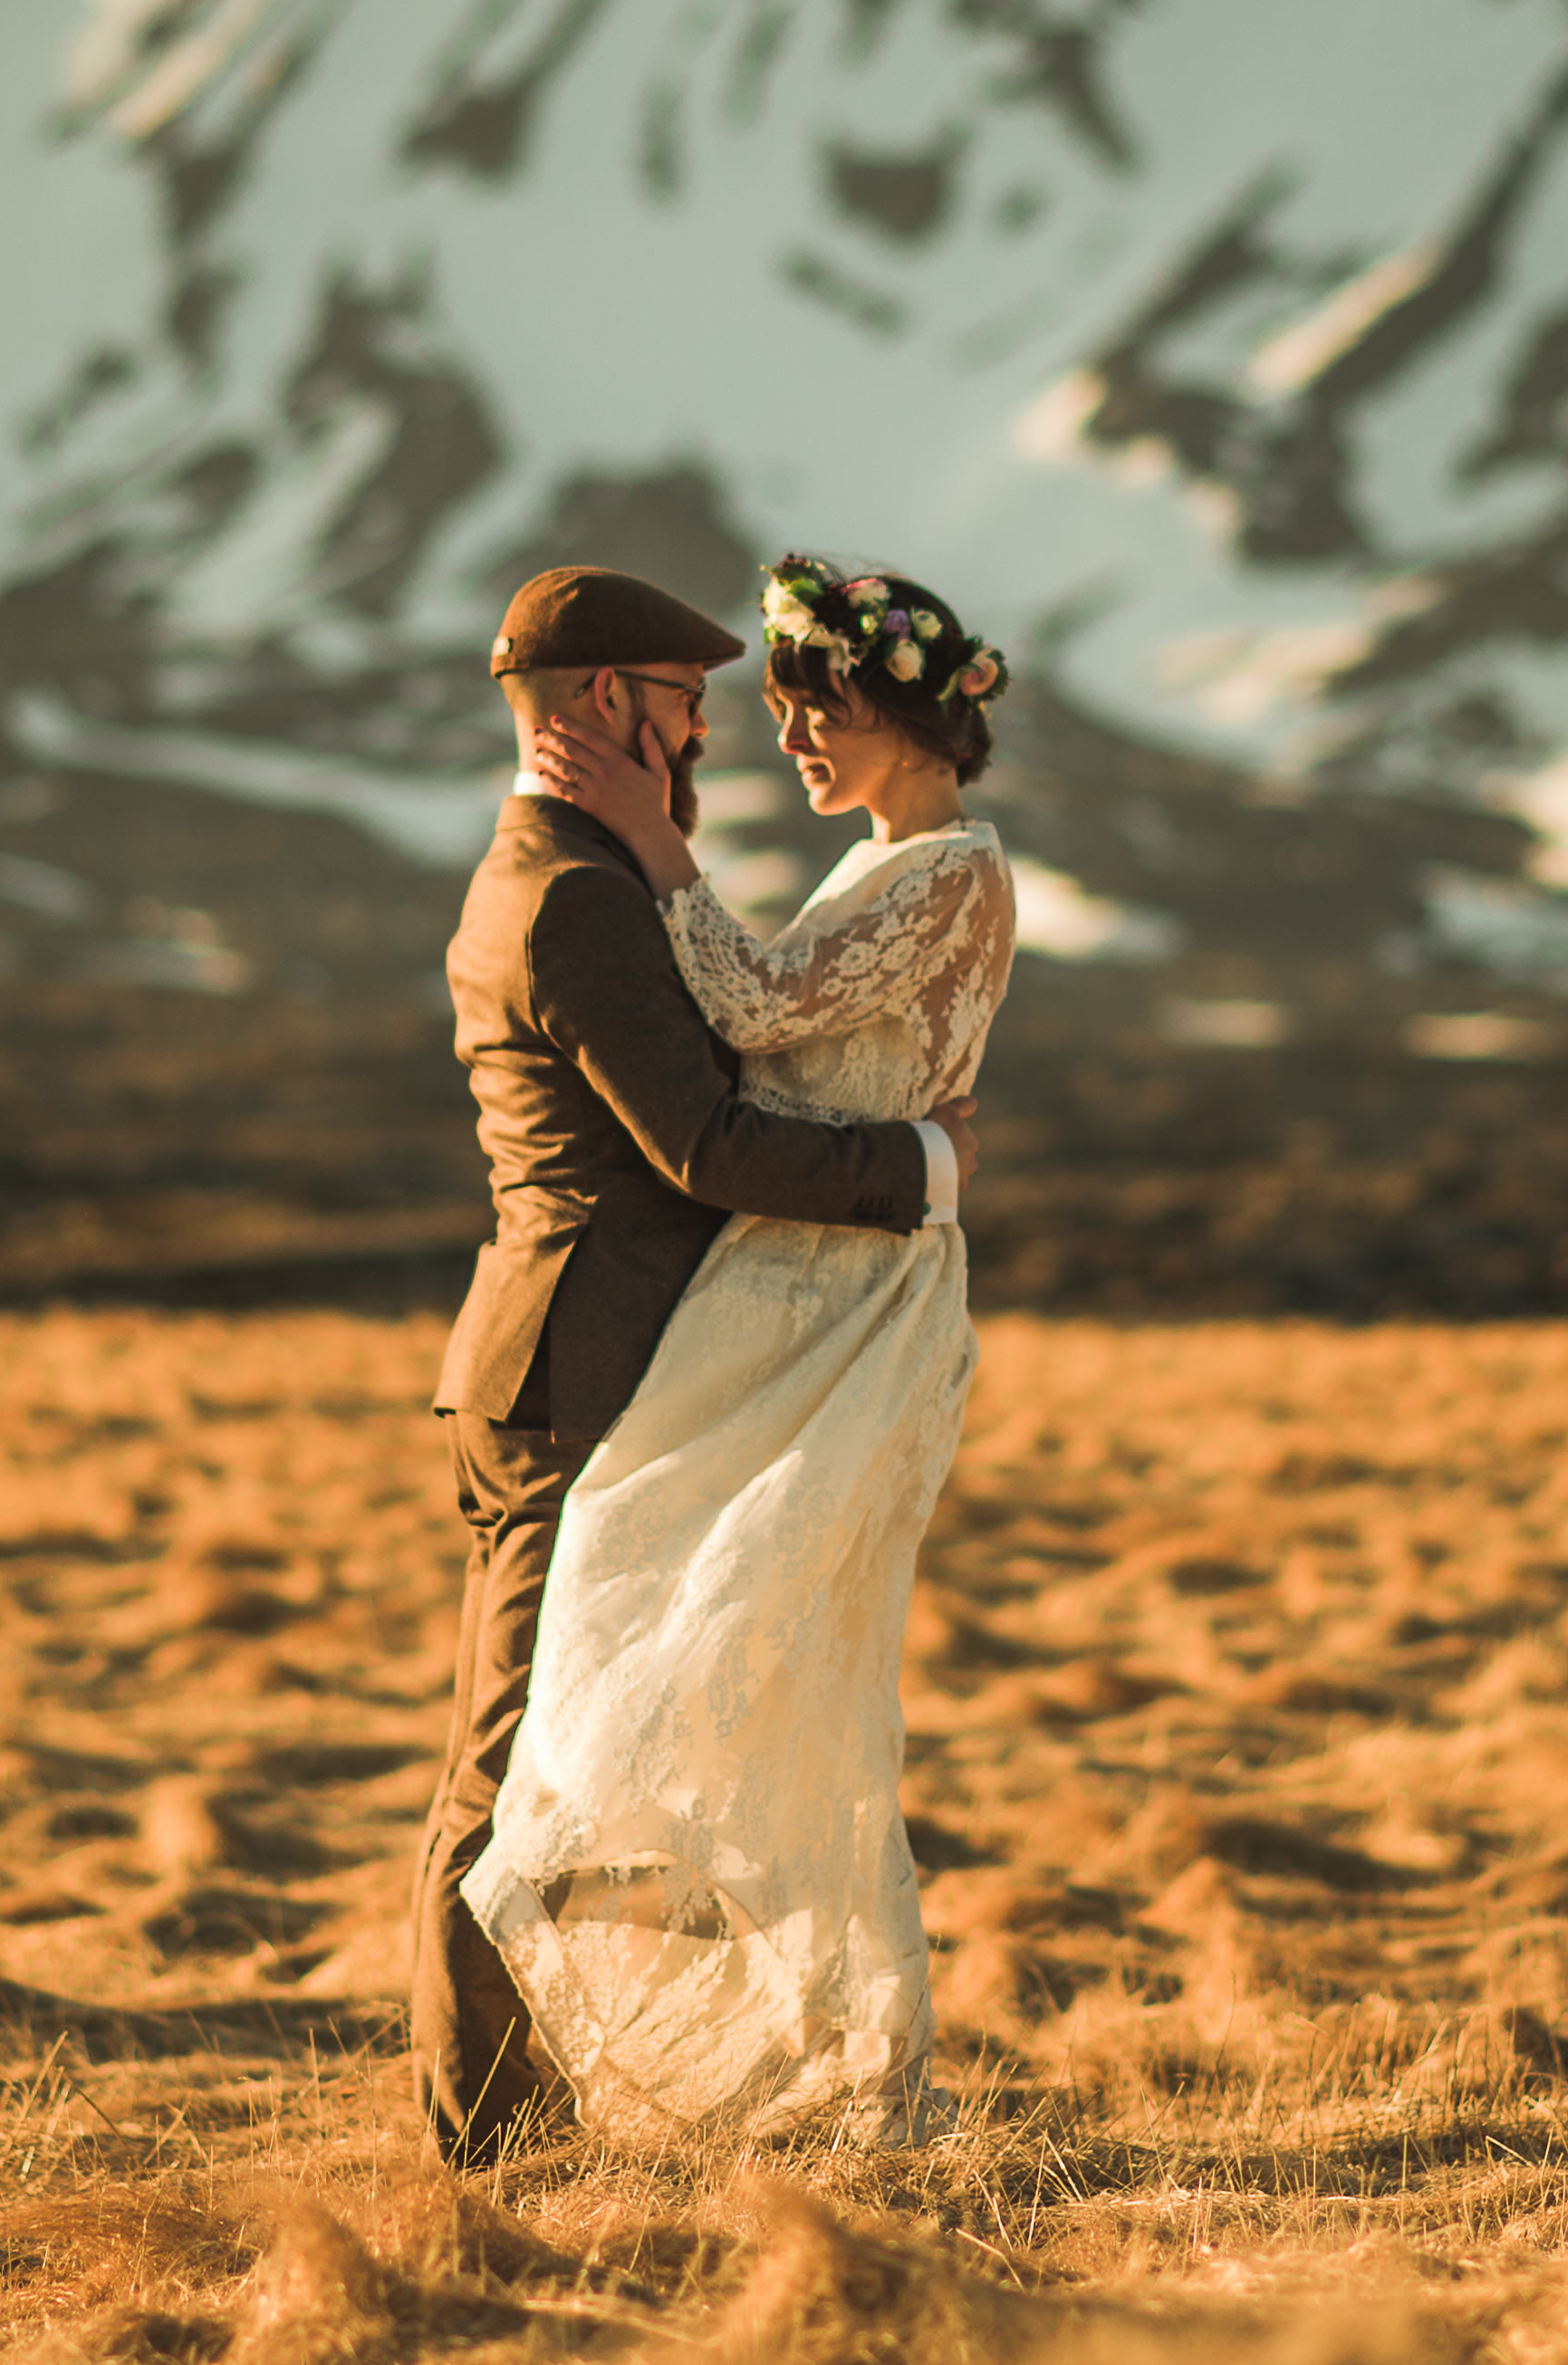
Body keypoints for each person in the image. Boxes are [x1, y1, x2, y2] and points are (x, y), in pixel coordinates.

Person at [414, 562, 978, 2169]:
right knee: (510, 1774)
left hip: (594, 1367)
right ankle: (485, 2154)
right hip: (576, 1370)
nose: (709, 738)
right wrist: (920, 1169)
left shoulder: (580, 866)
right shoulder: (579, 891)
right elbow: (706, 1143)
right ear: (608, 704)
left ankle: (540, 2121)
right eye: (685, 705)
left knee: (557, 1751)